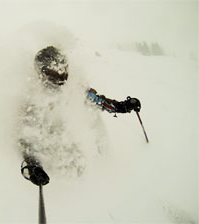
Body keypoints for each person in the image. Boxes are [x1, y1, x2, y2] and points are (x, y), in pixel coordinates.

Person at [19, 46, 141, 186]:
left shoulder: (75, 87)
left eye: (64, 68)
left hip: (84, 162)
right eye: (54, 72)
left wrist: (121, 107)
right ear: (43, 73)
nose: (61, 74)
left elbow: (99, 101)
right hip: (57, 166)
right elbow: (27, 138)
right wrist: (33, 165)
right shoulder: (34, 100)